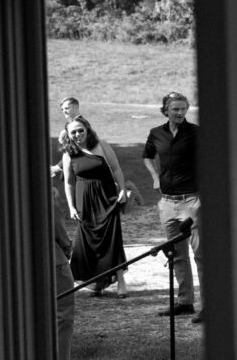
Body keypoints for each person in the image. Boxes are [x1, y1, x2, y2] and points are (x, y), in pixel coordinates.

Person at [143, 91, 203, 323]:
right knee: (177, 255)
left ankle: (209, 307)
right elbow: (147, 156)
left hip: (193, 201)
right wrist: (155, 177)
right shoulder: (156, 134)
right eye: (175, 109)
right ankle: (185, 302)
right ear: (166, 110)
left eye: (183, 109)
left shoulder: (196, 133)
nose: (180, 113)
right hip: (167, 202)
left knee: (201, 255)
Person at [52, 191, 109, 360]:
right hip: (51, 262)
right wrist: (66, 247)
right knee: (60, 324)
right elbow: (55, 224)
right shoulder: (33, 178)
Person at [61, 116, 129, 298]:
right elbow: (68, 182)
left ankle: (121, 282)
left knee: (112, 238)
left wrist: (122, 190)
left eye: (80, 130)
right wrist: (71, 207)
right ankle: (97, 282)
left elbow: (116, 169)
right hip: (85, 201)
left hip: (107, 197)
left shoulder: (101, 145)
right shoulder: (68, 154)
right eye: (73, 132)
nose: (77, 134)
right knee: (88, 241)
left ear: (87, 129)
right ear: (68, 135)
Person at [50, 97, 81, 178]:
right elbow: (67, 149)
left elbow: (77, 151)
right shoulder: (70, 125)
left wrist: (58, 167)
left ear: (76, 108)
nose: (64, 111)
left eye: (67, 108)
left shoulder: (79, 126)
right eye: (62, 109)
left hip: (78, 175)